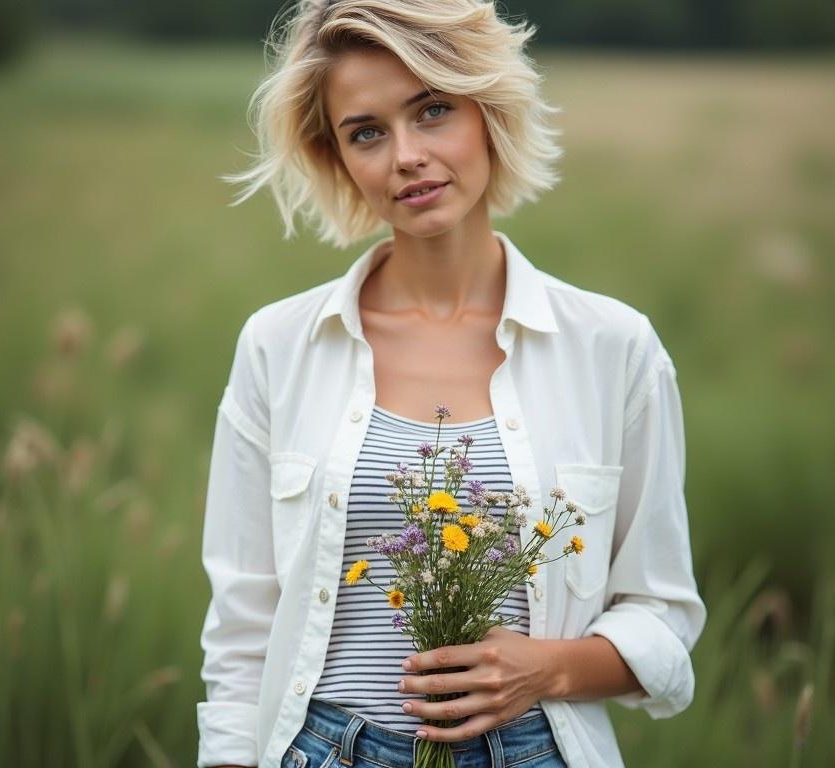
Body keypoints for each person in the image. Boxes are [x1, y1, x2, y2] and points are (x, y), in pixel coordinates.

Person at [196, 1, 707, 766]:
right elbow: (241, 633)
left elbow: (663, 619)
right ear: (337, 158)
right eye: (366, 131)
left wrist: (545, 668)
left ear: (486, 112)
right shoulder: (279, 345)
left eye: (432, 111)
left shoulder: (613, 347)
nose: (406, 155)